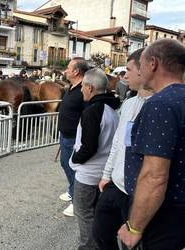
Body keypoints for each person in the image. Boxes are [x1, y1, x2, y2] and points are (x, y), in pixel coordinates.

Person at [117, 39, 185, 250]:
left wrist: (134, 228)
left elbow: (154, 176)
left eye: (142, 63)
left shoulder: (160, 105)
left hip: (164, 217)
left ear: (153, 63)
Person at [92, 48, 153, 250]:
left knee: (132, 244)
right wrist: (106, 174)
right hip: (115, 186)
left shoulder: (160, 106)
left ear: (143, 70)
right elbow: (118, 143)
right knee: (100, 233)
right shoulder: (128, 104)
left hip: (139, 194)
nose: (124, 75)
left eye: (128, 69)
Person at [68, 68, 120, 250]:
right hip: (104, 173)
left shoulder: (92, 111)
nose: (81, 89)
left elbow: (89, 147)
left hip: (89, 175)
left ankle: (88, 247)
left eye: (82, 86)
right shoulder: (112, 109)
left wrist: (74, 159)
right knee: (95, 216)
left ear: (90, 87)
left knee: (83, 214)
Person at [57, 57, 89, 217]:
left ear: (76, 71)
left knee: (73, 168)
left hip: (74, 138)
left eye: (68, 68)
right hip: (65, 135)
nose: (66, 70)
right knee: (65, 163)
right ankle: (72, 191)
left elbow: (87, 115)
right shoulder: (72, 87)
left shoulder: (84, 89)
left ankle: (77, 201)